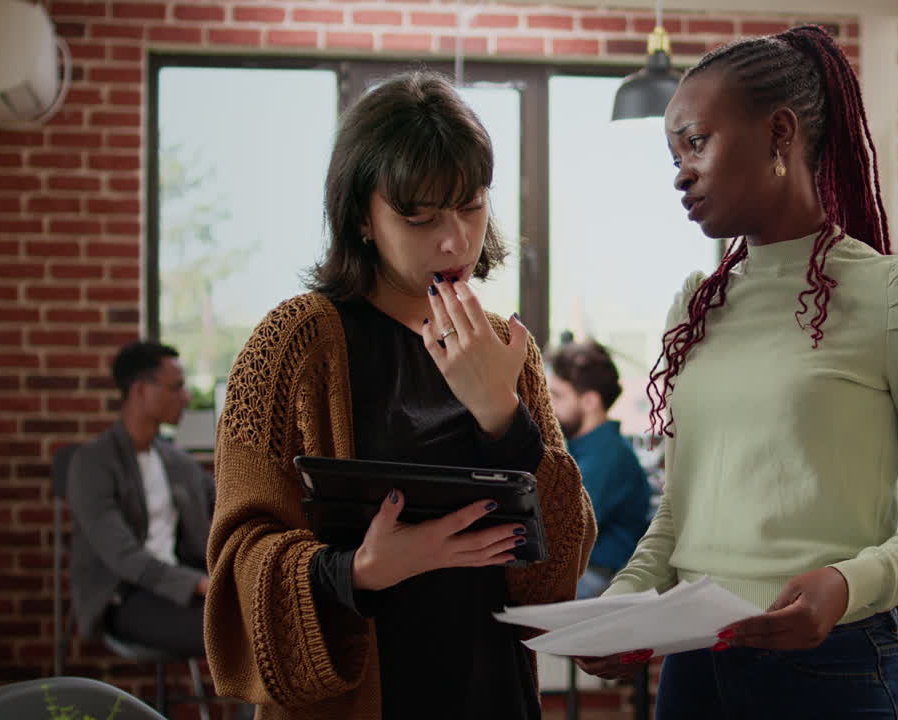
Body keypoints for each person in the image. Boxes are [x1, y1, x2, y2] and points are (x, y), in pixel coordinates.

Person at [574, 26, 898, 719]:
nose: (679, 171)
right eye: (672, 152)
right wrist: (623, 605)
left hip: (836, 672)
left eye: (696, 142)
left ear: (779, 134)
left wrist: (847, 583)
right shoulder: (695, 305)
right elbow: (680, 512)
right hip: (694, 673)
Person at [203, 70, 595, 720]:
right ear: (362, 215)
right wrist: (357, 570)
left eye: (470, 206)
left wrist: (501, 411)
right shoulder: (294, 344)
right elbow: (237, 568)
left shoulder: (503, 346)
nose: (454, 240)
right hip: (364, 696)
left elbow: (556, 569)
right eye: (419, 217)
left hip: (489, 685)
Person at [67, 341, 213, 658]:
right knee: (237, 633)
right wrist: (199, 584)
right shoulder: (93, 463)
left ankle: (249, 710)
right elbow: (123, 556)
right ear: (140, 391)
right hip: (126, 596)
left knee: (265, 622)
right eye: (176, 388)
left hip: (185, 588)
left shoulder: (179, 463)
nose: (186, 398)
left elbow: (222, 517)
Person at [547, 340, 652, 597]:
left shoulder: (607, 457)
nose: (549, 405)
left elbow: (561, 531)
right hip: (586, 569)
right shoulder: (582, 448)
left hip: (603, 575)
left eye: (558, 396)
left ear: (590, 401)